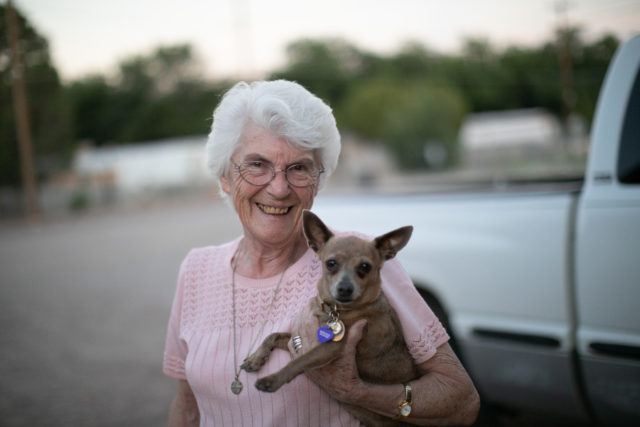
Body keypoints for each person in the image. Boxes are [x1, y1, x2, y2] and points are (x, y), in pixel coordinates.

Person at [163, 80, 480, 426]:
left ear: (317, 181)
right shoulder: (196, 270)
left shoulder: (366, 260)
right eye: (257, 164)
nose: (279, 188)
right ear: (225, 176)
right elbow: (188, 407)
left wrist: (359, 393)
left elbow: (461, 402)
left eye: (299, 168)